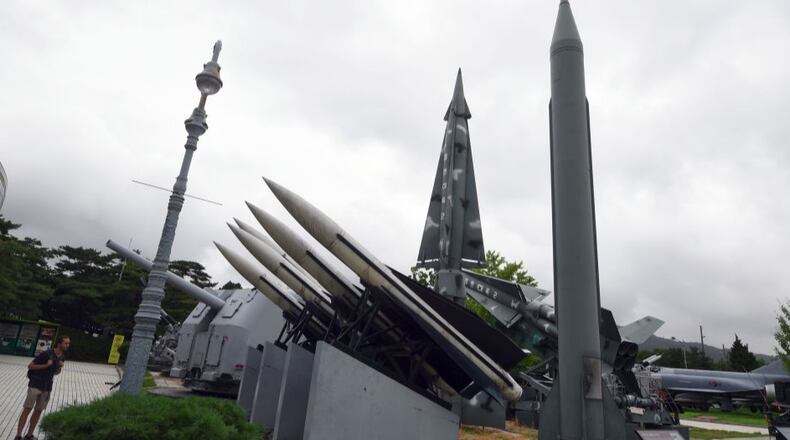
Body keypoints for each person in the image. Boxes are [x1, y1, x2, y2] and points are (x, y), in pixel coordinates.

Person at [15, 335, 70, 440]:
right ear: (59, 343)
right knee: (27, 409)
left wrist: (59, 367)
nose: (68, 345)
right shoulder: (47, 353)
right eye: (66, 343)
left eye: (68, 343)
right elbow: (30, 366)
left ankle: (29, 435)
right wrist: (46, 365)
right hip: (35, 385)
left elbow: (55, 373)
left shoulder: (62, 356)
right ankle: (18, 435)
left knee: (38, 411)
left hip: (47, 387)